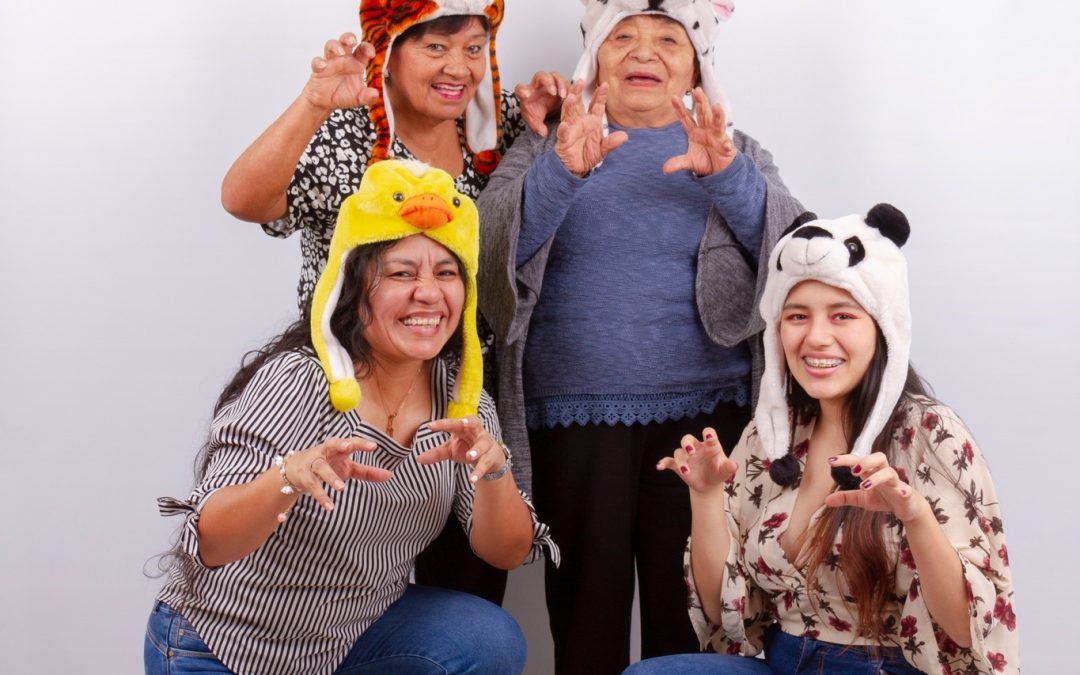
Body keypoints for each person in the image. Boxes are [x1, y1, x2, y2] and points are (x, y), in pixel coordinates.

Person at [476, 1, 805, 670]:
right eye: (622, 36)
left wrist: (726, 174)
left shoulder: (735, 148)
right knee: (585, 618)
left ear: (695, 63)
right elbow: (486, 259)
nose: (643, 51)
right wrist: (562, 173)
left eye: (666, 39)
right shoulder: (545, 144)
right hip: (573, 417)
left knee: (692, 613)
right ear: (595, 56)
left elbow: (799, 253)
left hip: (708, 422)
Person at [146, 160, 556, 675]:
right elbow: (210, 542)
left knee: (487, 638)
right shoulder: (298, 381)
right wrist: (286, 479)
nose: (428, 293)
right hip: (223, 646)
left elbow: (507, 552)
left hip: (345, 641)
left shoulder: (463, 405)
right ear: (353, 289)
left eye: (446, 273)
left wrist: (494, 471)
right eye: (402, 273)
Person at [219, 0, 564, 605]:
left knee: (466, 586)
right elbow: (243, 198)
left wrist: (554, 118)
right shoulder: (351, 129)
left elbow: (538, 203)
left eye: (474, 48)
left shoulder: (495, 123)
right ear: (390, 49)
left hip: (455, 385)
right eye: (435, 47)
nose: (459, 66)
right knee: (336, 558)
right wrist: (315, 102)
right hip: (345, 380)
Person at [628, 205, 1019, 674]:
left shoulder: (929, 434)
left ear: (882, 327)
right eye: (797, 316)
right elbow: (720, 612)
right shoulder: (772, 436)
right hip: (783, 661)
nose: (816, 338)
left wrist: (915, 516)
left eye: (841, 316)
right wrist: (707, 496)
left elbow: (966, 628)